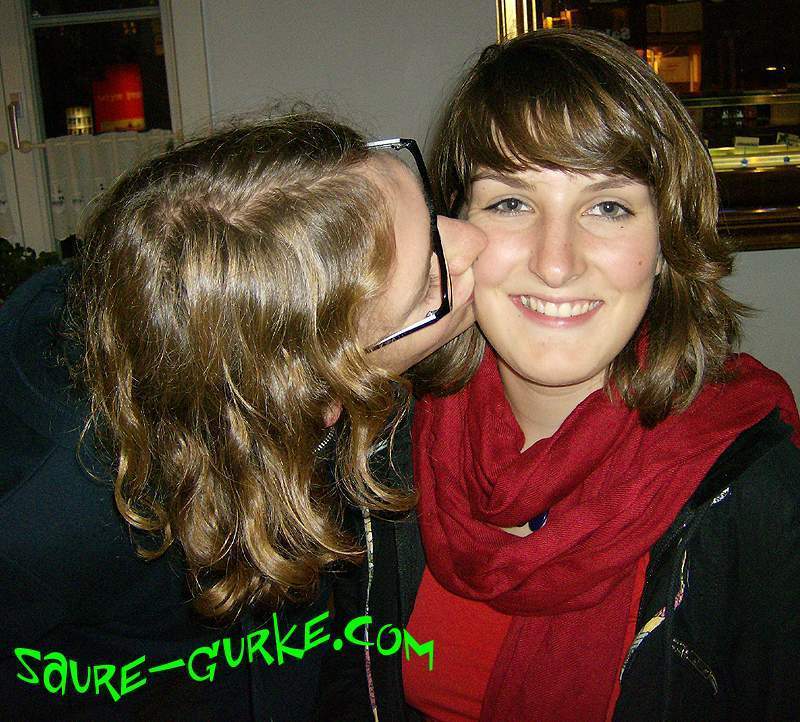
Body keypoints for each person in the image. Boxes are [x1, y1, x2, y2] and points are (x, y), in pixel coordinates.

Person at [321, 29, 800, 721]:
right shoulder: (376, 451)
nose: (555, 262)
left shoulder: (754, 491)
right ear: (453, 230)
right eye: (511, 202)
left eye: (608, 207)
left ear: (666, 242)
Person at [0, 112, 485, 718]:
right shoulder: (47, 510)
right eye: (428, 285)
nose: (472, 240)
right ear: (310, 388)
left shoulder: (249, 371)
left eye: (429, 205)